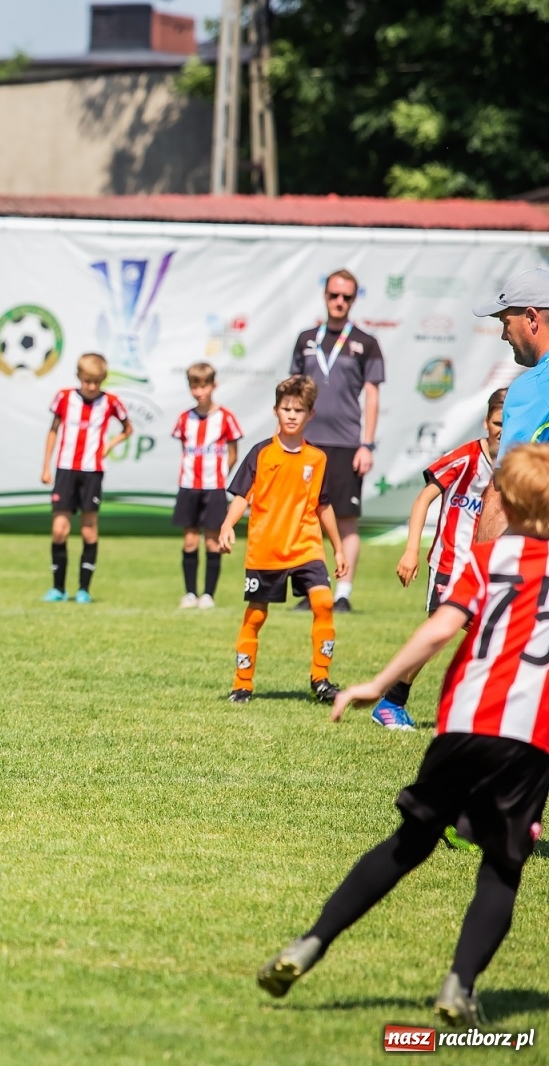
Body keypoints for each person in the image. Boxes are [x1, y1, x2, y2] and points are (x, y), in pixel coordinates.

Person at [258, 444, 549, 1028]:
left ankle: (311, 943)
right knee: (501, 866)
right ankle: (458, 985)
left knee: (409, 841)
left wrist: (378, 683)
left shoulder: (485, 557)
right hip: (528, 739)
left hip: (464, 723)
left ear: (505, 500)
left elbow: (442, 625)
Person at [374, 389, 507, 730]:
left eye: (508, 422)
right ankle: (392, 702)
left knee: (486, 637)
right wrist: (410, 550)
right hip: (449, 564)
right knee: (443, 635)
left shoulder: (515, 465)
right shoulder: (465, 458)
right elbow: (423, 499)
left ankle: (473, 710)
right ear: (485, 422)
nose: (501, 430)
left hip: (484, 571)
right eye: (496, 422)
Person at [217, 376, 347, 705]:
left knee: (323, 603)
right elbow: (241, 496)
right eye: (286, 408)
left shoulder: (316, 459)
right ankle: (242, 684)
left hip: (306, 546)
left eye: (298, 410)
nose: (291, 415)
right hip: (266, 549)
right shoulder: (261, 453)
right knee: (256, 615)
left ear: (310, 415)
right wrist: (227, 525)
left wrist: (339, 547)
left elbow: (323, 505)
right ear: (275, 411)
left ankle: (321, 678)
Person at [288, 269, 385, 612]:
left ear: (354, 299)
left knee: (345, 519)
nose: (339, 302)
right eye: (334, 295)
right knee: (306, 519)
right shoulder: (306, 339)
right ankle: (312, 589)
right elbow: (294, 393)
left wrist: (367, 445)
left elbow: (371, 397)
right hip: (308, 444)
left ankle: (342, 593)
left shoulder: (366, 343)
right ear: (325, 296)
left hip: (346, 444)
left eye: (346, 296)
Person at [39, 352, 133, 604]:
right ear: (79, 376)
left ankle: (84, 589)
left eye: (97, 382)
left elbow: (127, 429)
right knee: (59, 530)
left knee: (89, 530)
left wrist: (110, 445)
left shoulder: (110, 401)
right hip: (65, 470)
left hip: (92, 471)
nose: (92, 387)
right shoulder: (64, 398)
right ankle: (58, 588)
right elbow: (53, 430)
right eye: (87, 381)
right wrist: (46, 466)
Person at [472, 267, 549, 543]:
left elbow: (504, 491)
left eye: (506, 322)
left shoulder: (533, 387)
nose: (505, 336)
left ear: (531, 318)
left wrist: (478, 578)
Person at [170, 362, 243, 609]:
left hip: (214, 488)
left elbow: (233, 453)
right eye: (194, 386)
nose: (199, 392)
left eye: (204, 386)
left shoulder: (225, 418)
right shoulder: (184, 419)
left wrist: (221, 475)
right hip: (189, 486)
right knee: (190, 540)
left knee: (213, 541)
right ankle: (190, 593)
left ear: (214, 385)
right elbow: (185, 450)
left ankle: (208, 595)